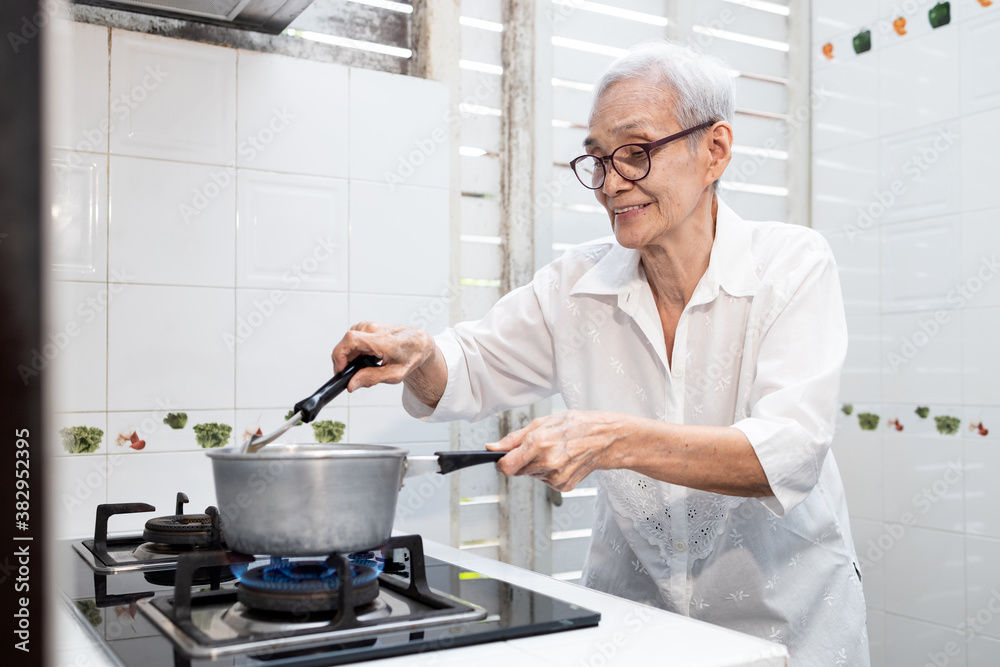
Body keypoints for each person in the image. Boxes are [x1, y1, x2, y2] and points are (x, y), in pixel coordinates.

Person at [331, 40, 868, 665]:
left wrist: (610, 440)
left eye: (636, 154)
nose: (611, 184)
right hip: (634, 628)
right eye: (597, 160)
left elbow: (789, 452)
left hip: (784, 631)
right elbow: (468, 370)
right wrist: (423, 355)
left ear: (714, 150)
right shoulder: (575, 286)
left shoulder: (791, 265)